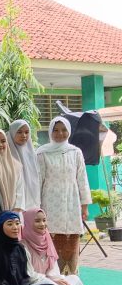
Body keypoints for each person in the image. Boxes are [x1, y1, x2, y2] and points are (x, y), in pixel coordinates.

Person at [37, 116, 92, 275]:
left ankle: (71, 276)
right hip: (50, 203)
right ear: (50, 132)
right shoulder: (42, 153)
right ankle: (54, 276)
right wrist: (37, 208)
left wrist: (84, 206)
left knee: (72, 238)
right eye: (56, 130)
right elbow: (38, 181)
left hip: (72, 203)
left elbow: (82, 180)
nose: (60, 134)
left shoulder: (75, 152)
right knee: (52, 237)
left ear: (69, 131)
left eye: (63, 130)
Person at [21, 208, 99, 285]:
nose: (42, 224)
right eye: (37, 221)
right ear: (28, 222)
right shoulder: (23, 245)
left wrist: (56, 278)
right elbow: (30, 275)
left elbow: (52, 266)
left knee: (74, 279)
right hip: (36, 282)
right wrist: (50, 280)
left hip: (49, 278)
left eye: (44, 220)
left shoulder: (46, 238)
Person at [0, 129, 25, 213]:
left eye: (3, 141)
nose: (0, 145)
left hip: (14, 214)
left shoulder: (15, 165)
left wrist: (15, 211)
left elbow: (20, 190)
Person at [7, 120, 41, 209]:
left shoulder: (32, 153)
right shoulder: (6, 153)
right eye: (19, 132)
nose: (24, 135)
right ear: (12, 133)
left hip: (32, 200)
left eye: (27, 132)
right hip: (14, 202)